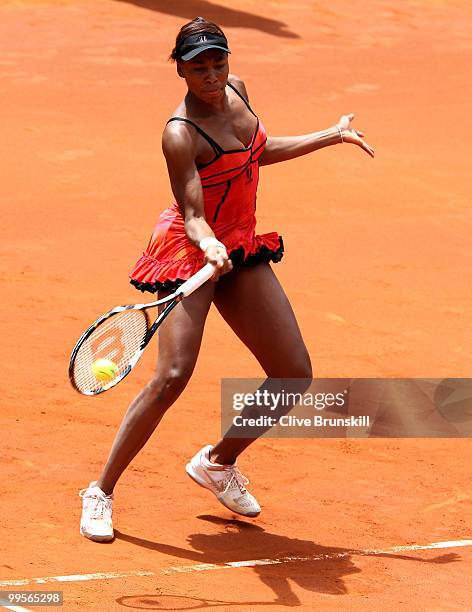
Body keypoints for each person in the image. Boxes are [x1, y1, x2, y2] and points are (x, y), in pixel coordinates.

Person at [79, 17, 374, 542]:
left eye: (219, 63)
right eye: (198, 68)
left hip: (240, 240)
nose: (211, 75)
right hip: (191, 249)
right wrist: (208, 243)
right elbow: (192, 213)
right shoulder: (179, 134)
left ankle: (217, 462)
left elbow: (258, 153)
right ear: (180, 70)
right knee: (172, 376)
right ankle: (100, 491)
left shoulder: (239, 91)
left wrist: (330, 134)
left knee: (292, 372)